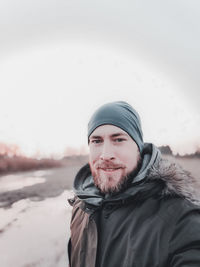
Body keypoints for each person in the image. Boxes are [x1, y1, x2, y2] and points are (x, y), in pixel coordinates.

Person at [68, 101, 200, 267]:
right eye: (96, 141)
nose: (106, 154)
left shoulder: (180, 218)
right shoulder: (81, 208)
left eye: (118, 139)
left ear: (138, 148)